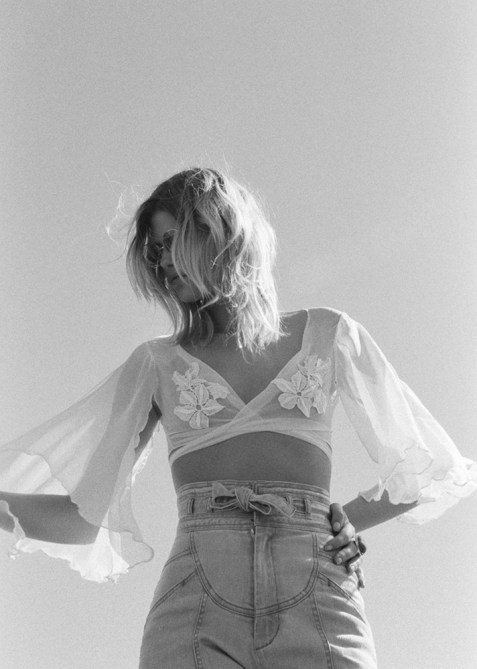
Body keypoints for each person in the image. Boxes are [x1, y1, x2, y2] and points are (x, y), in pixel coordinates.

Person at [1, 167, 476, 668]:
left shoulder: (328, 334)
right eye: (154, 251)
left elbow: (426, 465)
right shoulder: (155, 364)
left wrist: (344, 519)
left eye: (170, 241)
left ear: (220, 230)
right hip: (194, 607)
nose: (162, 262)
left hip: (320, 595)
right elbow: (80, 520)